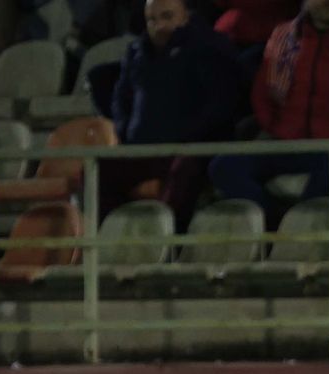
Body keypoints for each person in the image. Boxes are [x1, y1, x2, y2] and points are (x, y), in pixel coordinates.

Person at [209, 0, 329, 227]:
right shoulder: (284, 36)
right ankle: (277, 223)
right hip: (288, 143)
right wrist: (274, 125)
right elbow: (262, 92)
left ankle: (298, 231)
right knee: (224, 166)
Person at [104, 0, 246, 230]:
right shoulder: (137, 51)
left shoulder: (210, 47)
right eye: (152, 19)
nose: (159, 25)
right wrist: (124, 130)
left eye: (167, 17)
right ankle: (105, 243)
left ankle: (166, 242)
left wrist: (186, 138)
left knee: (184, 171)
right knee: (97, 170)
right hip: (142, 149)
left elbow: (220, 104)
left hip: (190, 151)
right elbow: (121, 98)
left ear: (185, 17)